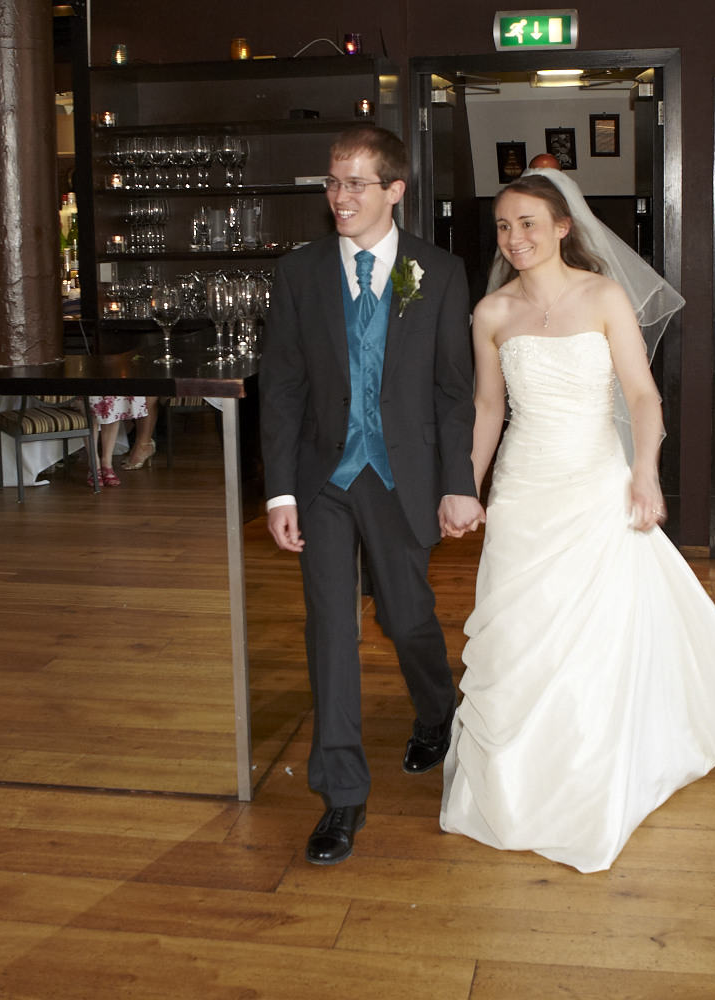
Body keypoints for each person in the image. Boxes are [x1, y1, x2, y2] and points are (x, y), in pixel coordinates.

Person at [438, 170, 715, 873]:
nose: (514, 238)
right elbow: (489, 408)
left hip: (594, 481)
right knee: (519, 628)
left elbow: (641, 396)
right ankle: (519, 773)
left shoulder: (603, 296)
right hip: (523, 489)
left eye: (528, 224)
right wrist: (467, 487)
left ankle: (595, 764)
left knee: (598, 626)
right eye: (504, 227)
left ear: (563, 227)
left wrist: (644, 473)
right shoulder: (491, 312)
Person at [260, 124, 481, 865]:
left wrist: (458, 483)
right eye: (332, 182)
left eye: (355, 183)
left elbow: (453, 392)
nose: (339, 196)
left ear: (394, 190)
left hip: (401, 474)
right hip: (323, 479)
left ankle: (438, 710)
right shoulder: (299, 272)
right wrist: (280, 493)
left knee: (405, 614)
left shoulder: (439, 271)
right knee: (330, 627)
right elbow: (282, 387)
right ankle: (342, 793)